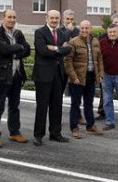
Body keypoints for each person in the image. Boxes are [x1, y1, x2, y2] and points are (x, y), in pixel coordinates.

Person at [0, 9, 31, 148]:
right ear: (3, 18)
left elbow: (28, 49)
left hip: (17, 74)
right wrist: (18, 48)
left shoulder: (18, 33)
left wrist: (16, 51)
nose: (12, 19)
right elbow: (4, 50)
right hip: (3, 75)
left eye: (14, 17)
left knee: (14, 106)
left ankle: (14, 132)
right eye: (9, 17)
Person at [32, 10, 72, 146]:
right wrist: (60, 49)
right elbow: (42, 50)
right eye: (52, 18)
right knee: (42, 106)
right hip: (43, 74)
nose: (54, 20)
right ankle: (38, 135)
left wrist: (54, 48)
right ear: (46, 18)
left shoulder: (62, 33)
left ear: (60, 19)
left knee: (57, 105)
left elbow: (68, 50)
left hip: (58, 74)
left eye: (57, 18)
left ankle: (55, 133)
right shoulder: (40, 32)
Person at [64, 20, 104, 139]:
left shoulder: (96, 41)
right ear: (79, 29)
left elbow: (100, 59)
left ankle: (90, 126)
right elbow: (67, 61)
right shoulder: (73, 42)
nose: (85, 30)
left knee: (89, 103)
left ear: (90, 28)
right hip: (77, 78)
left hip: (91, 77)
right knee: (75, 104)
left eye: (87, 28)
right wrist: (73, 76)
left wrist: (101, 74)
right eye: (82, 28)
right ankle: (74, 127)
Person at [60, 10, 81, 100]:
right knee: (60, 88)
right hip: (62, 62)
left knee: (75, 90)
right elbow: (60, 44)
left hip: (74, 62)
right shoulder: (58, 30)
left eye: (71, 19)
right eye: (67, 19)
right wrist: (68, 31)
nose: (69, 21)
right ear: (63, 19)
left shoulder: (77, 30)